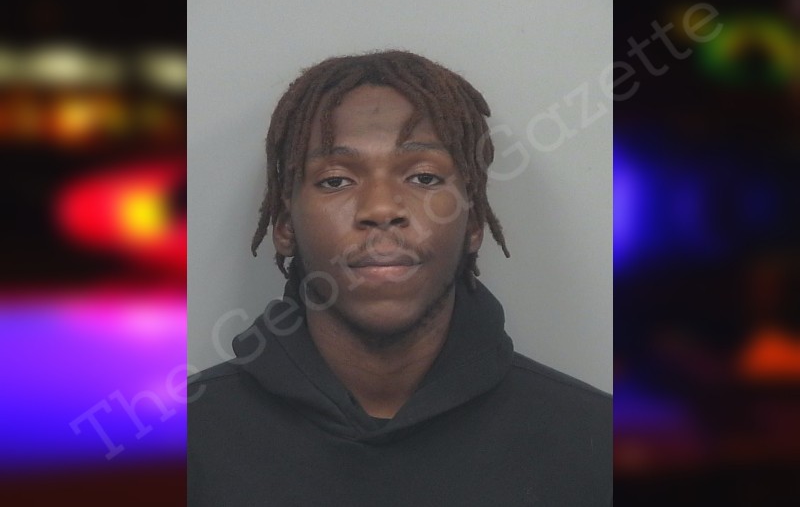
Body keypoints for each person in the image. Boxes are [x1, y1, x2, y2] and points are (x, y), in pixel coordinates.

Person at [188, 50, 612, 506]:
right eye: (335, 180)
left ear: (472, 224)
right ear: (285, 226)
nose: (381, 209)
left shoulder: (597, 444)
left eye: (424, 177)